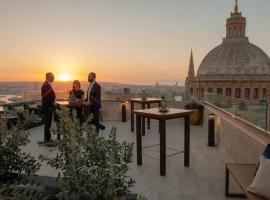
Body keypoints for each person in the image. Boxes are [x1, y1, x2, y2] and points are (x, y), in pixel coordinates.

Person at [41, 72, 55, 142]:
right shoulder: (46, 85)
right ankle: (47, 139)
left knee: (48, 124)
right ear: (47, 77)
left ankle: (47, 138)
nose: (53, 78)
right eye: (52, 76)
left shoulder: (47, 84)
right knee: (47, 124)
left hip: (48, 108)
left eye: (53, 76)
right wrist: (49, 108)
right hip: (48, 108)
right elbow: (47, 98)